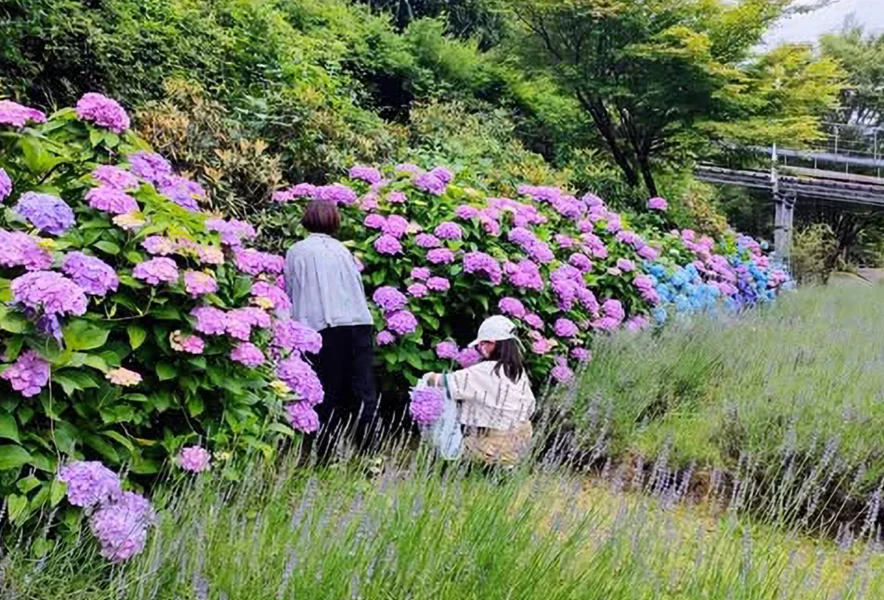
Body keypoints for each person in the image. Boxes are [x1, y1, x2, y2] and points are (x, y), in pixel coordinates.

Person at [284, 199, 378, 453]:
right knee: (362, 390)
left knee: (326, 392)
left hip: (322, 327)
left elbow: (290, 292)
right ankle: (369, 451)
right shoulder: (342, 250)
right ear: (335, 221)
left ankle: (325, 453)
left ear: (306, 220)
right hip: (358, 323)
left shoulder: (297, 251)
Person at [423, 315, 535, 466]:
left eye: (482, 344)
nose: (480, 349)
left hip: (493, 446)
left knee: (448, 443)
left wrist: (428, 376)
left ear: (494, 344)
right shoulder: (518, 372)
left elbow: (445, 383)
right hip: (520, 444)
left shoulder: (486, 370)